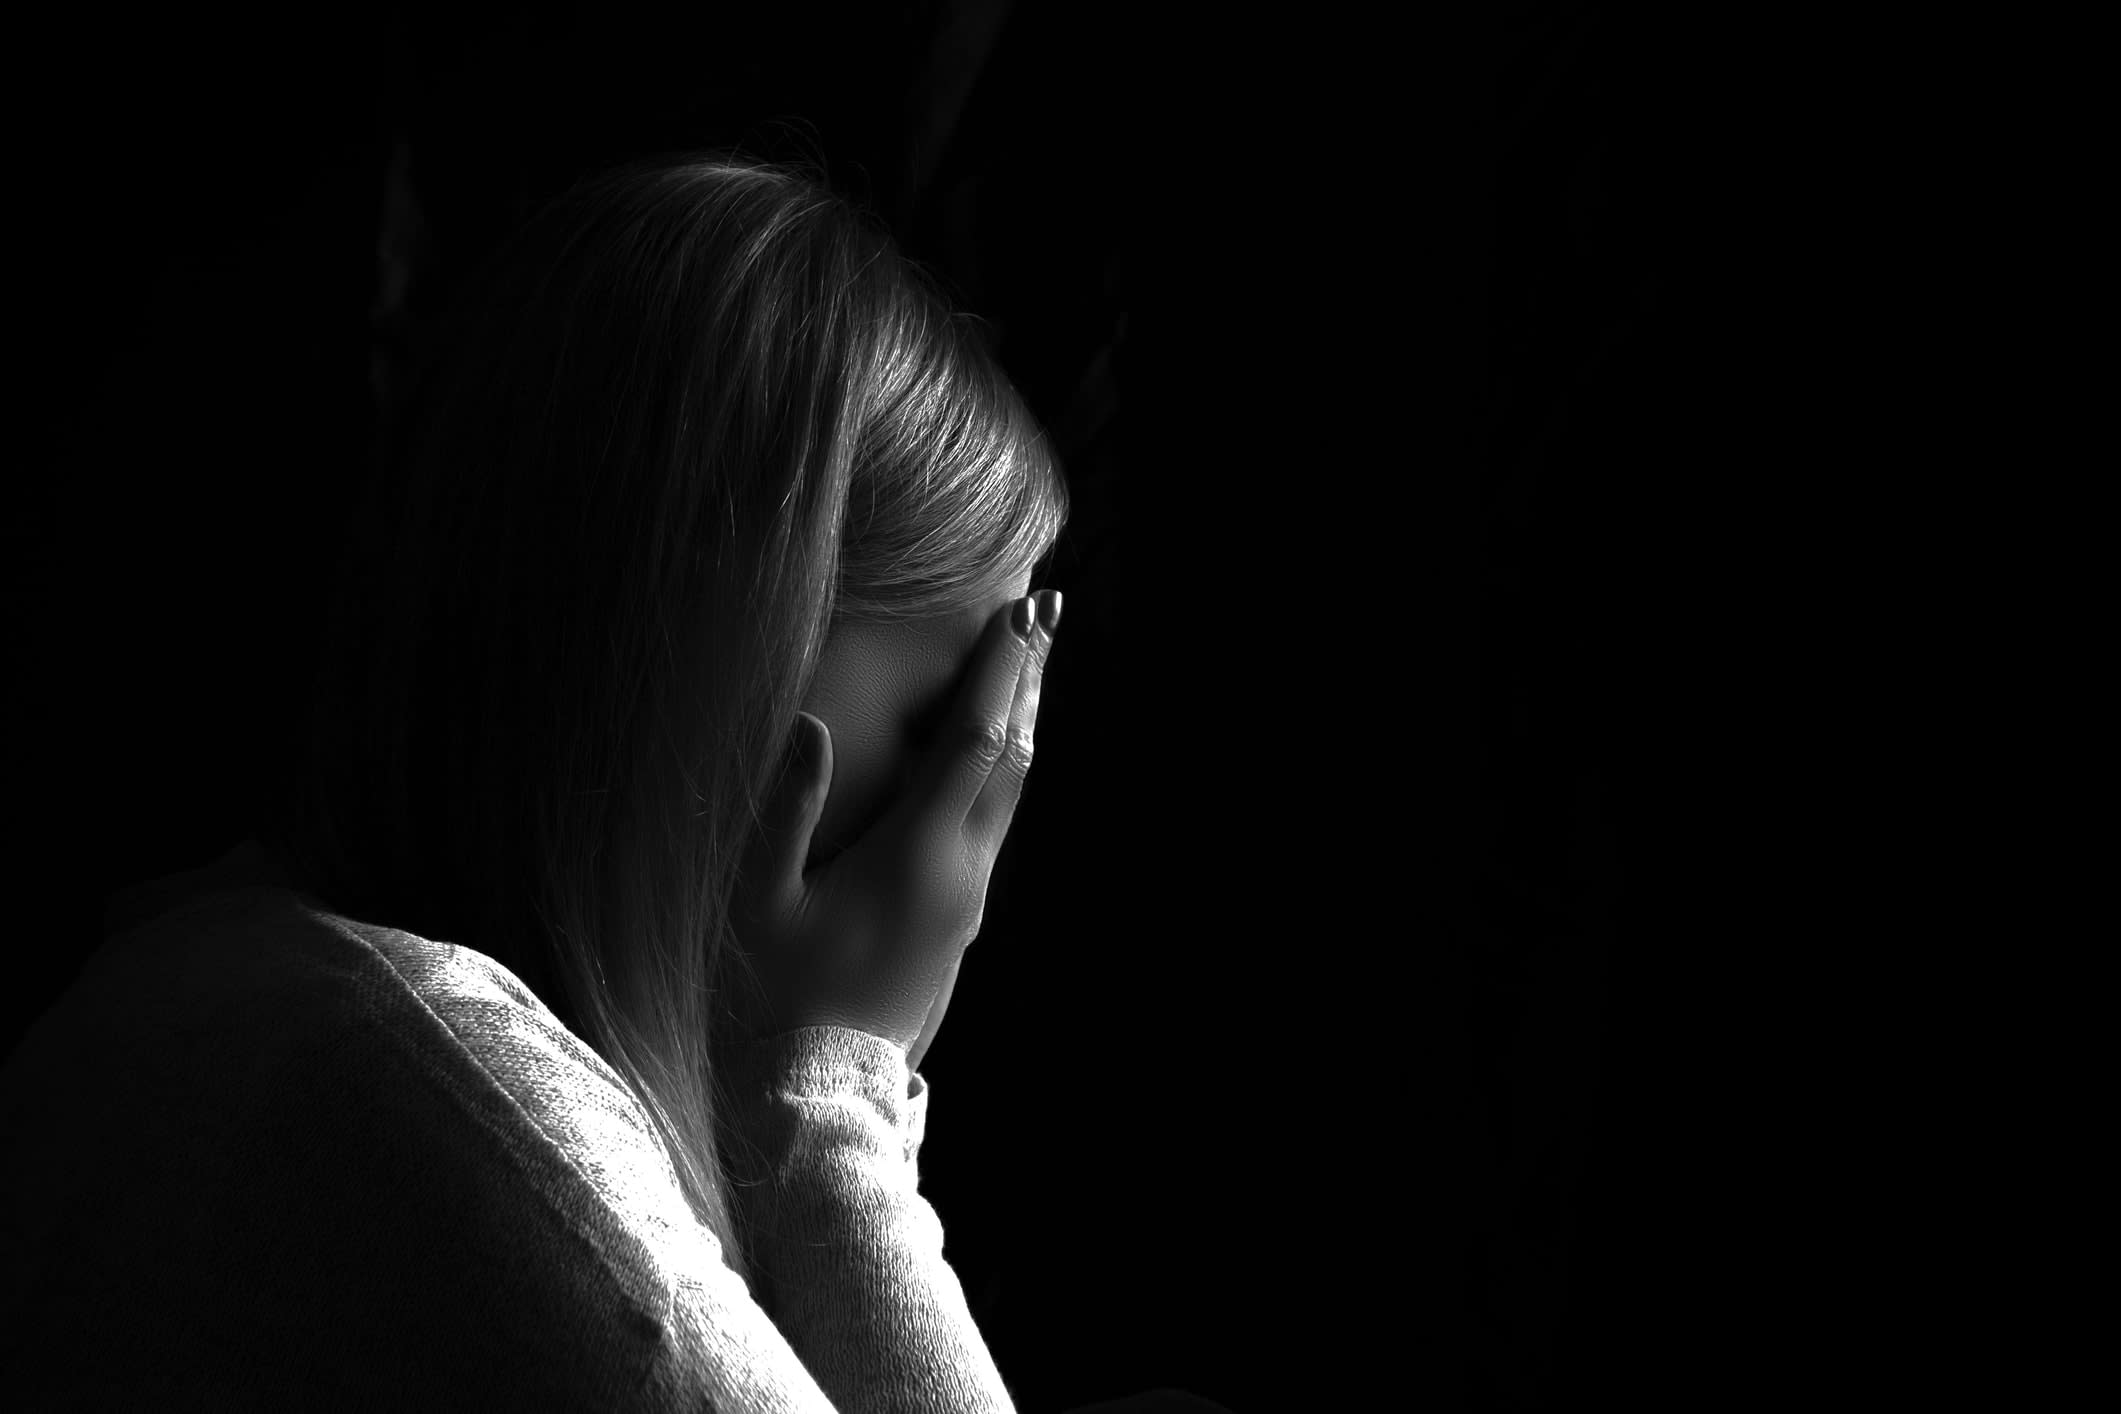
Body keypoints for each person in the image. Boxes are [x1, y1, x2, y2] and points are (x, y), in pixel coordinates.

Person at [0, 154, 1217, 1412]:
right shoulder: (421, 1092)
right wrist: (831, 1104)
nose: (951, 869)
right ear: (724, 651)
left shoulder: (232, 995)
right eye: (937, 738)